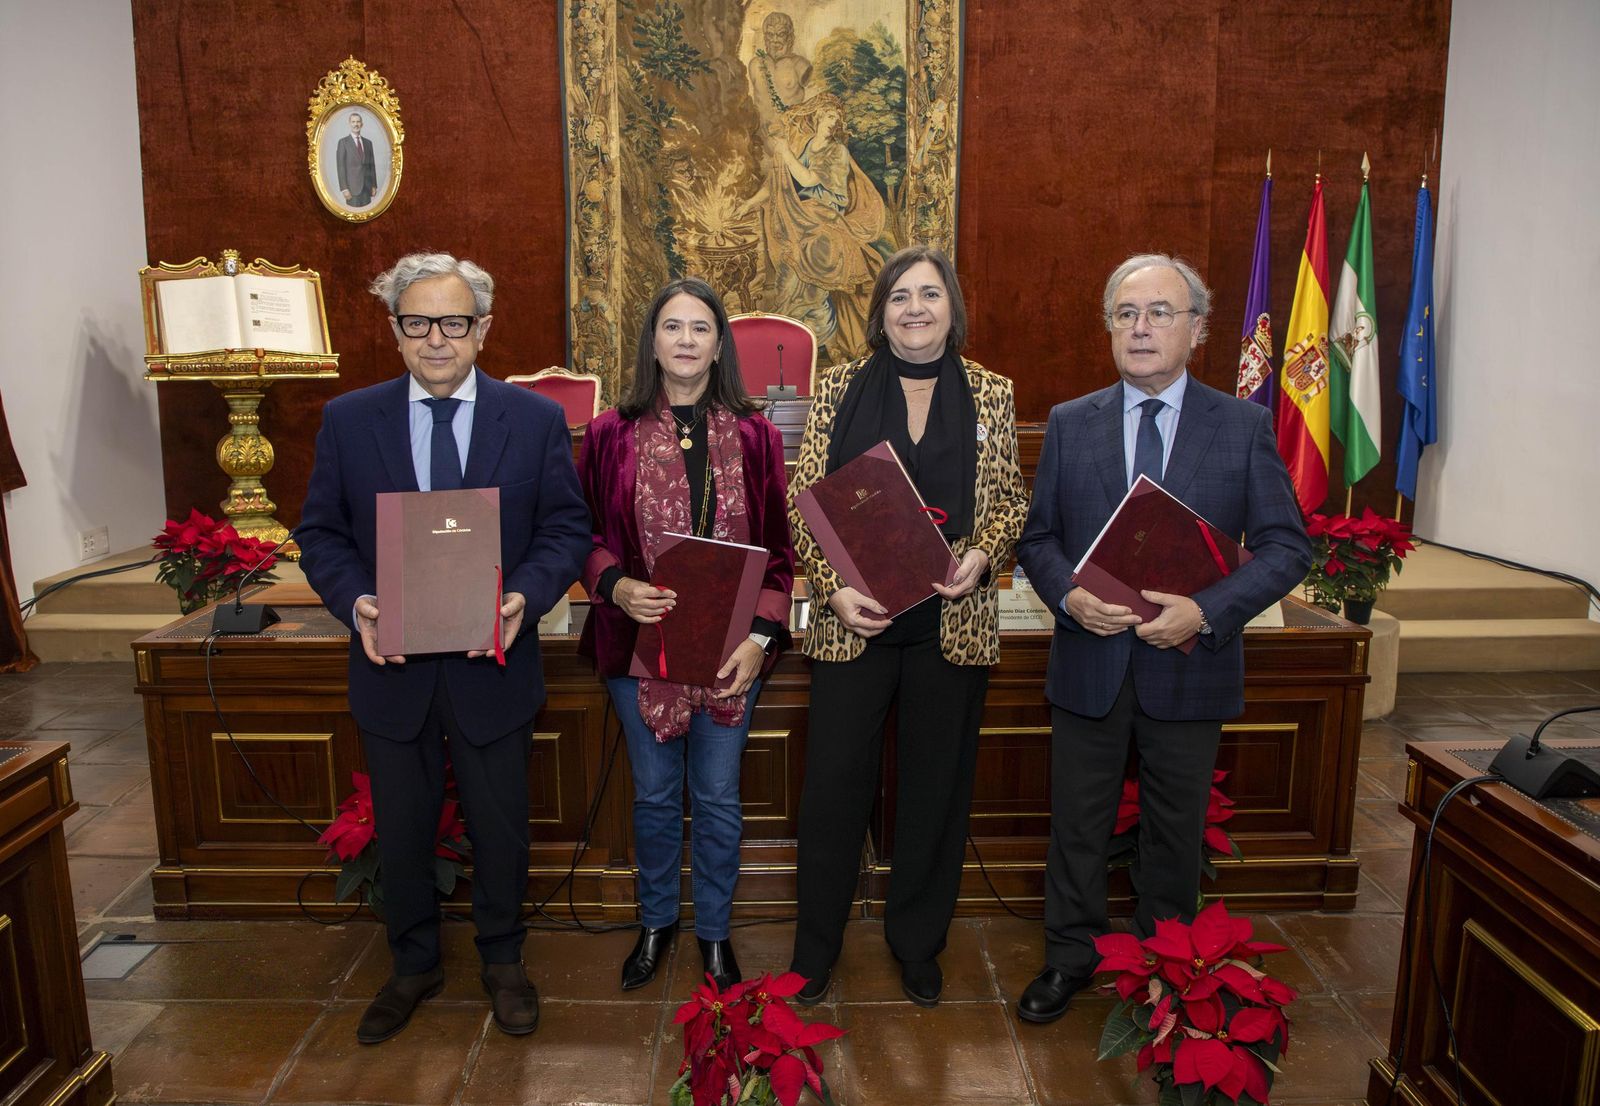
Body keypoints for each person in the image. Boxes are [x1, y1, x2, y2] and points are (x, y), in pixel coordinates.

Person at [298, 252, 590, 1043]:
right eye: (417, 322)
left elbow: (567, 529)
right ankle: (413, 964)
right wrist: (357, 601)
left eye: (453, 322)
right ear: (394, 332)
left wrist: (524, 598)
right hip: (391, 669)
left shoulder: (530, 421)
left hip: (492, 667)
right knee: (402, 827)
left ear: (482, 329)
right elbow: (319, 533)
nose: (436, 339)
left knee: (501, 826)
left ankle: (503, 959)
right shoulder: (349, 421)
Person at [1012, 253, 1312, 1024]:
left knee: (1175, 834)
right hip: (1090, 662)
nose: (1140, 329)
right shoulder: (1072, 422)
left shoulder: (1242, 425)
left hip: (1191, 667)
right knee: (1077, 826)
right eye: (1125, 314)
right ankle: (1069, 958)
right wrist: (1070, 596)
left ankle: (1168, 971)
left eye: (1159, 313)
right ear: (1109, 327)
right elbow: (1038, 539)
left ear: (1199, 330)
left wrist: (1207, 610)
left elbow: (1286, 547)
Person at [787, 244, 1028, 1007]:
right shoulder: (835, 390)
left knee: (935, 791)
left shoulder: (991, 392)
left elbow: (1010, 503)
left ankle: (918, 943)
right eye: (899, 297)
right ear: (880, 312)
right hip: (856, 622)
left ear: (952, 308)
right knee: (832, 793)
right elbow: (805, 502)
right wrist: (830, 591)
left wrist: (985, 556)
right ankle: (813, 951)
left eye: (929, 295)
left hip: (949, 624)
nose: (914, 309)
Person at [577, 278, 795, 992]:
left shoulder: (757, 434)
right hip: (638, 651)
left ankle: (715, 936)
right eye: (672, 327)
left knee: (719, 798)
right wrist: (616, 585)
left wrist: (759, 638)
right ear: (652, 341)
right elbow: (578, 533)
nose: (686, 341)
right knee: (654, 796)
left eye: (701, 328)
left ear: (719, 343)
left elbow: (781, 556)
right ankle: (654, 924)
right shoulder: (611, 432)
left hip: (732, 654)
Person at [734, 94, 891, 359]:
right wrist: (749, 203)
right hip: (801, 219)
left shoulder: (837, 151)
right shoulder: (806, 145)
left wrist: (784, 152)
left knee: (813, 274)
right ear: (817, 116)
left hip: (826, 219)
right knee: (789, 276)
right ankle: (788, 345)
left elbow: (806, 179)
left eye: (837, 119)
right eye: (830, 116)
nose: (834, 122)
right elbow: (778, 183)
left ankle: (819, 343)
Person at [336, 112, 379, 207]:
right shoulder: (343, 142)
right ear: (349, 124)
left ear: (362, 124)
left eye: (358, 122)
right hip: (352, 189)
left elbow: (372, 166)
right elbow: (341, 167)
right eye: (353, 122)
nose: (356, 124)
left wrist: (374, 185)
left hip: (367, 188)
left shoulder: (368, 143)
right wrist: (344, 188)